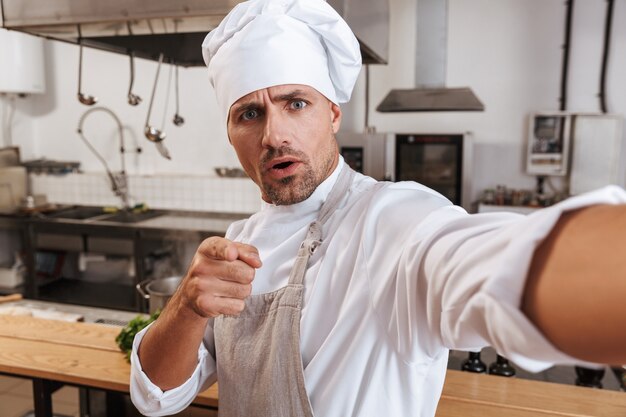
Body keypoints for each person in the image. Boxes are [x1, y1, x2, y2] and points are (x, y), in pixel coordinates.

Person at [130, 0, 626, 416]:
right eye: (250, 113)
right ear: (231, 134)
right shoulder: (239, 244)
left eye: (296, 103)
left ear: (333, 114)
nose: (274, 134)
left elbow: (494, 268)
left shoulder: (392, 221)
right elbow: (157, 397)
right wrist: (187, 307)